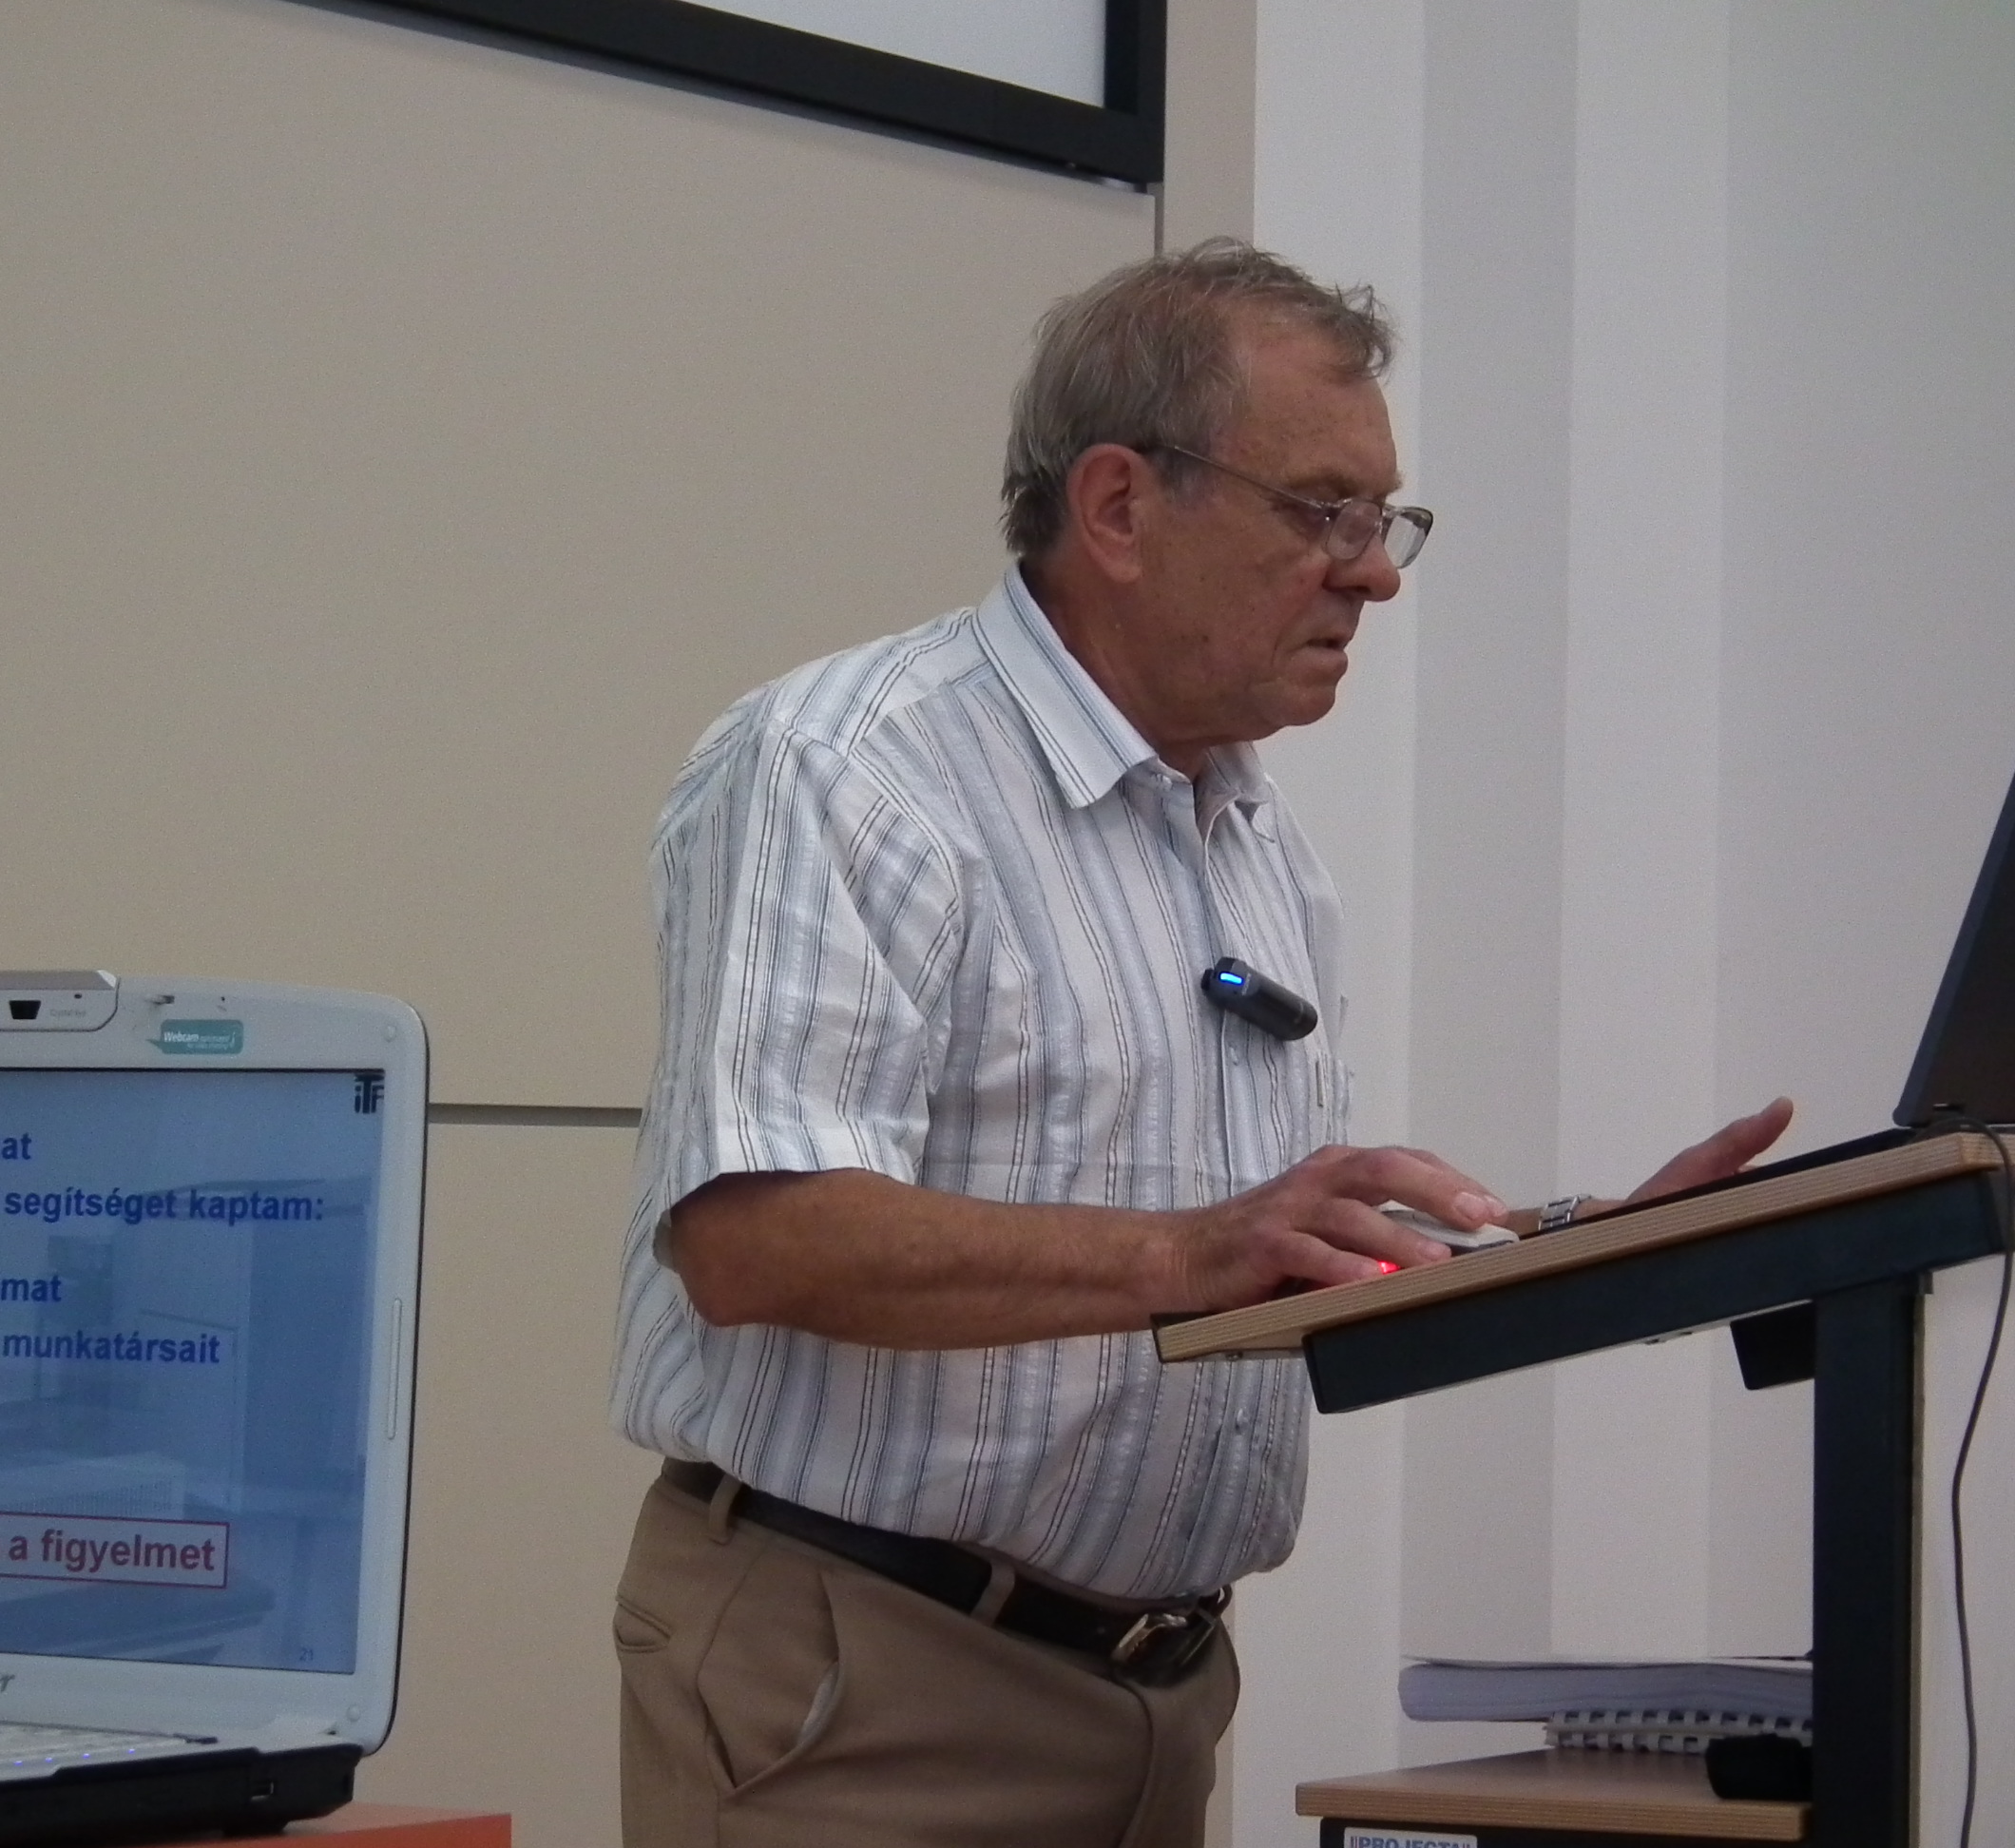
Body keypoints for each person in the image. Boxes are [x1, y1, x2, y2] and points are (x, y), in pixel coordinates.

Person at [608, 238, 1789, 1848]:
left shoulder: (1252, 835)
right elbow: (755, 1238)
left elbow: (1252, 1264)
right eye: (1325, 511)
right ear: (1118, 507)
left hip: (1159, 1697)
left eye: (1385, 521)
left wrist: (1579, 1253)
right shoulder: (847, 768)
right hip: (864, 1687)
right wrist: (1191, 1251)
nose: (1374, 574)